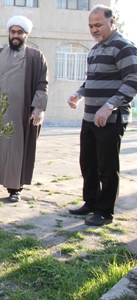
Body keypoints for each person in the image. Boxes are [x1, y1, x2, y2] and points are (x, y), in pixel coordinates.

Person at [67, 5, 137, 226]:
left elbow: (133, 80)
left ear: (111, 21)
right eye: (90, 26)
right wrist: (78, 94)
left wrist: (109, 106)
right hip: (89, 118)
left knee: (107, 166)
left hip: (110, 119)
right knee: (87, 163)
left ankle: (105, 212)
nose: (94, 29)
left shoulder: (124, 47)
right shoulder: (95, 50)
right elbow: (92, 80)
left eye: (98, 25)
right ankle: (91, 202)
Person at [0, 16, 48, 202]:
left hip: (20, 114)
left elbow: (42, 84)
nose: (16, 36)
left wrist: (39, 107)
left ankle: (15, 189)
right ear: (9, 33)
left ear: (26, 35)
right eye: (13, 32)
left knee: (16, 150)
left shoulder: (36, 57)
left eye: (20, 32)